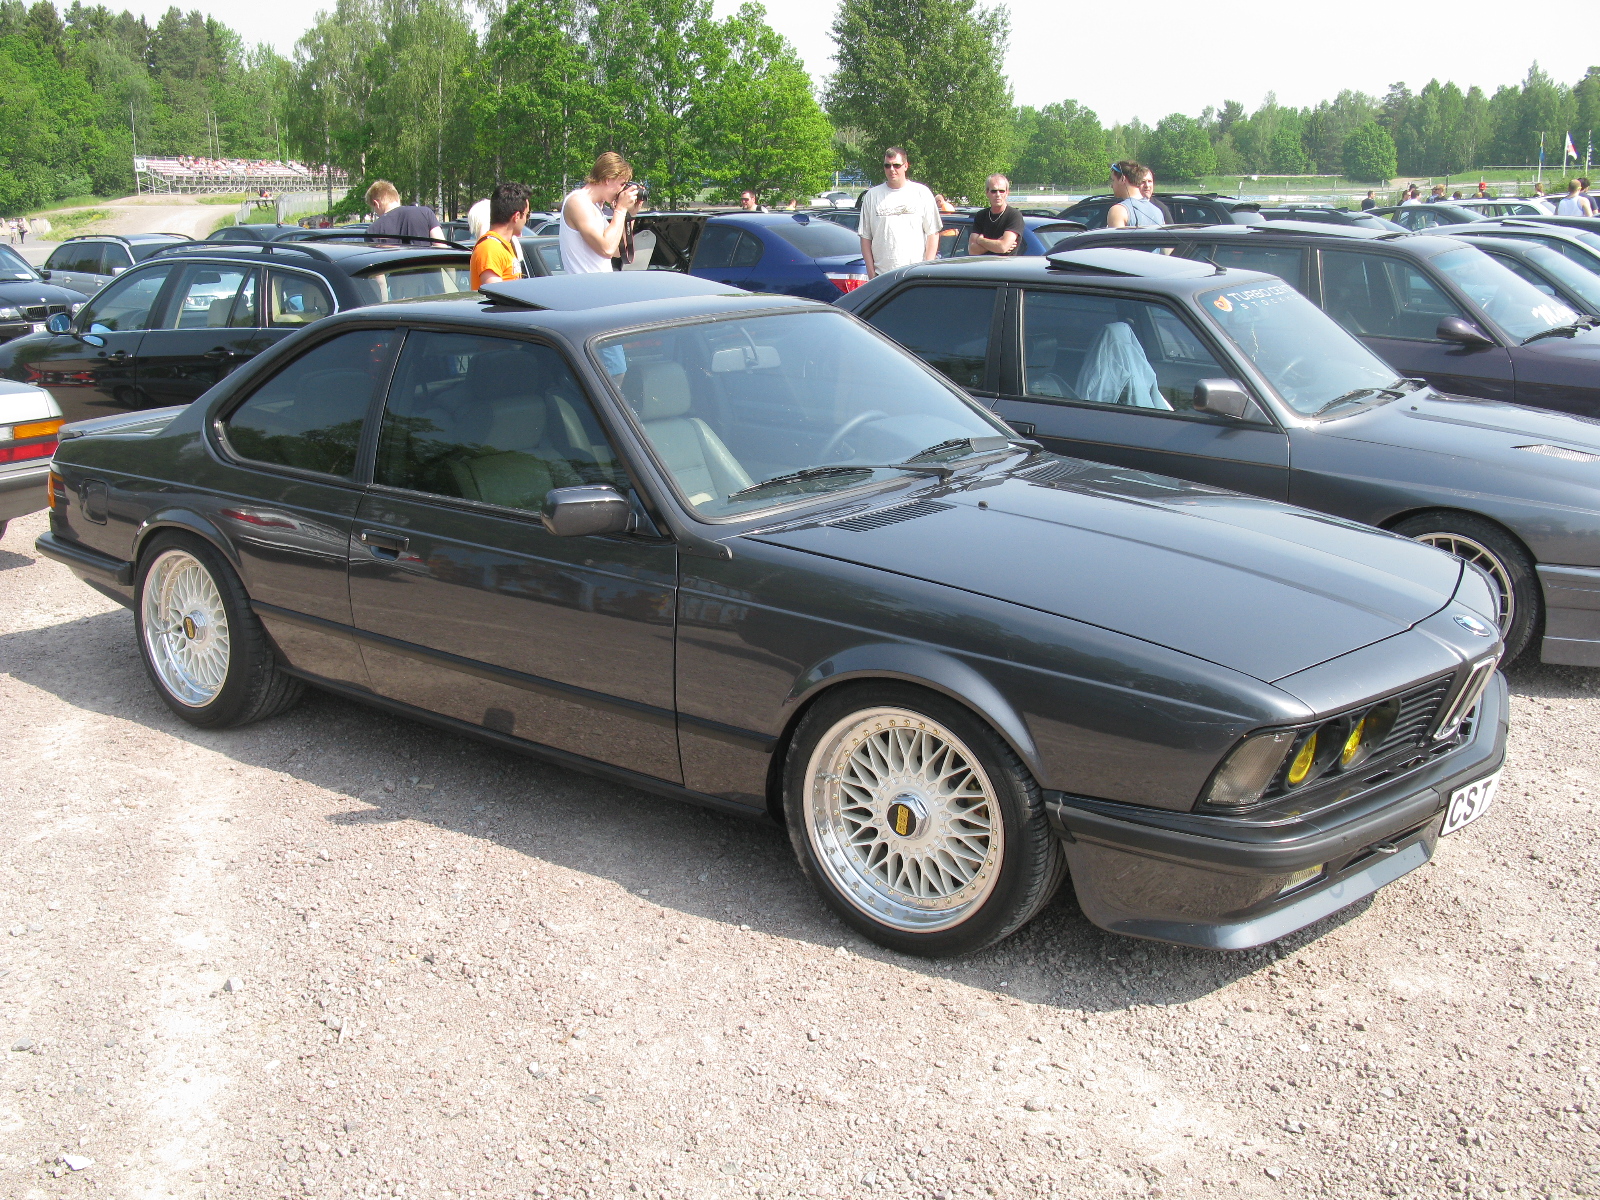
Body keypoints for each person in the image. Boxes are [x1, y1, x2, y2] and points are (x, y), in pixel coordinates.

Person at [857, 147, 941, 278]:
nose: (891, 169)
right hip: (882, 277)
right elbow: (865, 237)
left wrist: (926, 268)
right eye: (887, 165)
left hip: (915, 276)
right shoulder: (872, 195)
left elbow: (933, 233)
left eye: (896, 165)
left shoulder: (921, 193)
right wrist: (871, 273)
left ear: (906, 166)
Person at [560, 152, 645, 275]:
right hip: (585, 288)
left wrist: (630, 215)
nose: (622, 190)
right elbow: (607, 249)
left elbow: (617, 251)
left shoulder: (594, 207)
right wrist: (620, 209)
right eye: (622, 184)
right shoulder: (577, 202)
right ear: (608, 179)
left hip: (599, 287)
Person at [470, 182, 531, 290]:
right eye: (527, 215)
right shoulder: (490, 248)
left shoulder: (503, 246)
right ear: (517, 216)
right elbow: (496, 295)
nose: (526, 220)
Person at [365, 180, 444, 243]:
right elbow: (441, 247)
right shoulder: (426, 213)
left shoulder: (372, 230)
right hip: (427, 263)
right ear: (397, 198)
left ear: (376, 204)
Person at [968, 174, 1024, 256]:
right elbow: (972, 250)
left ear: (1007, 193)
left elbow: (1003, 247)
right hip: (982, 266)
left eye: (1002, 191)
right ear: (987, 192)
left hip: (1004, 267)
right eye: (993, 191)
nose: (998, 195)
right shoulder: (981, 215)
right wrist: (998, 242)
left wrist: (981, 241)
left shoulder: (1014, 215)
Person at [1105, 161, 1163, 227]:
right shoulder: (1158, 212)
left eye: (1113, 180)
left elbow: (1115, 237)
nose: (1112, 185)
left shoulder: (1119, 211)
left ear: (1122, 179)